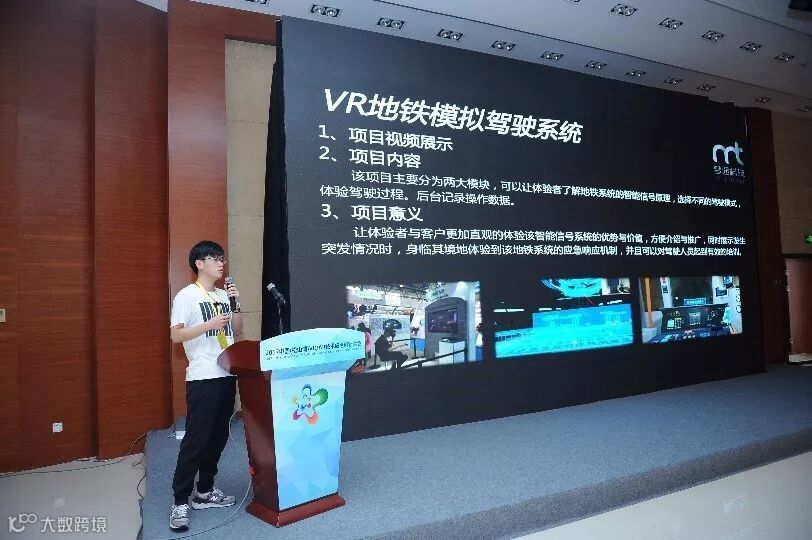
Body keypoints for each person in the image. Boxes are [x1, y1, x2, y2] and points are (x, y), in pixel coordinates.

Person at [168, 241, 243, 532]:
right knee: (196, 439)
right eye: (214, 258)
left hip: (227, 373)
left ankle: (205, 490)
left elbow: (237, 330)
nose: (221, 263)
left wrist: (235, 303)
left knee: (219, 436)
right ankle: (180, 500)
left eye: (222, 259)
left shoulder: (223, 295)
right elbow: (176, 336)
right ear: (199, 263)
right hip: (203, 376)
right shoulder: (187, 295)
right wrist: (208, 325)